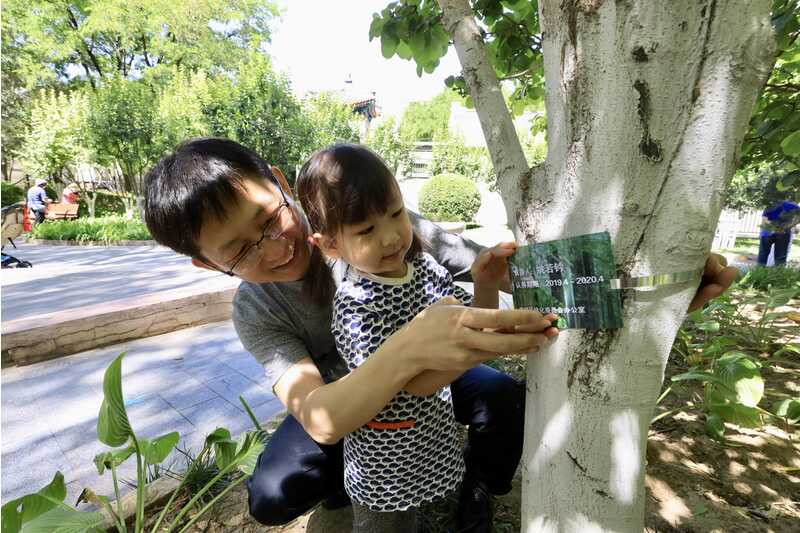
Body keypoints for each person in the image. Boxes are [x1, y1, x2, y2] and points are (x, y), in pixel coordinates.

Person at [142, 138, 737, 531]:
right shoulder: (257, 310)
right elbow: (320, 416)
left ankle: (480, 484)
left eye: (270, 219)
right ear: (207, 264)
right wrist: (405, 351)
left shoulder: (385, 227)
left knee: (503, 399)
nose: (276, 248)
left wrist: (645, 287)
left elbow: (505, 273)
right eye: (241, 250)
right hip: (344, 403)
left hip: (438, 375)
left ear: (278, 183)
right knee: (274, 493)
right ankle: (346, 492)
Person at [295, 144, 542, 531]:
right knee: (385, 525)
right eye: (366, 230)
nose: (391, 237)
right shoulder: (356, 305)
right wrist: (475, 348)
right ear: (330, 245)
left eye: (396, 214)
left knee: (409, 516)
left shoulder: (425, 268)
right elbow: (418, 383)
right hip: (383, 457)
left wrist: (484, 284)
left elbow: (469, 326)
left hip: (426, 432)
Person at [758, 199, 799, 266]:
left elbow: (764, 220)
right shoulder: (795, 206)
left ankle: (759, 271)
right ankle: (779, 272)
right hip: (783, 233)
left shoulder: (771, 203)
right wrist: (790, 227)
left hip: (768, 232)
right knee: (780, 258)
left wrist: (774, 228)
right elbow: (796, 223)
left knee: (763, 255)